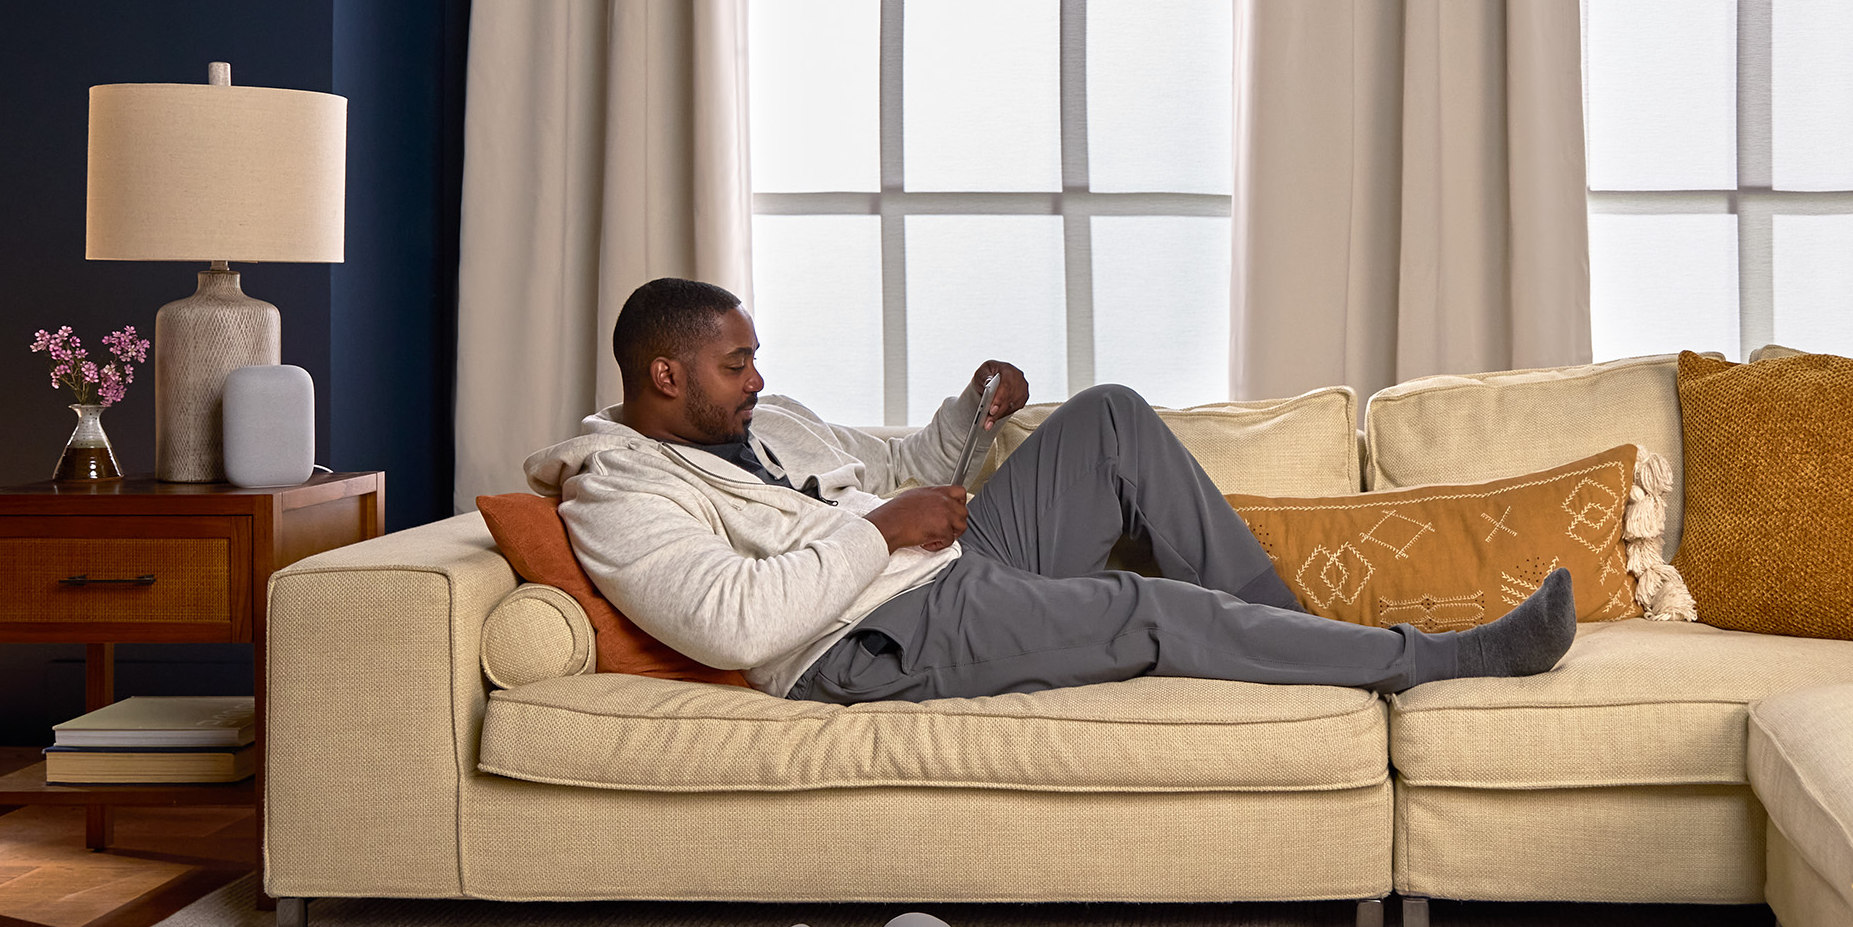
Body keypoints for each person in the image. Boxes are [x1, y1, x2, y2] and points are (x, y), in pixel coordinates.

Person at [526, 277, 1575, 703]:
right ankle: (1443, 659)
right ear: (664, 376)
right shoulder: (617, 491)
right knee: (1147, 608)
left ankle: (1296, 644)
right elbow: (727, 621)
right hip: (870, 635)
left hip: (923, 564)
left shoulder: (768, 420)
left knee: (1110, 414)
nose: (757, 379)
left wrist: (971, 408)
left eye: (755, 359)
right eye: (735, 364)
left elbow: (891, 464)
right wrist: (885, 533)